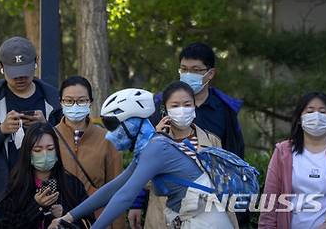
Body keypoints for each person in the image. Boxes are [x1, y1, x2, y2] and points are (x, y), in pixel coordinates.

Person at [50, 88, 233, 229]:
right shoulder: (148, 148)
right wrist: (69, 217)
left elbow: (125, 197)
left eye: (114, 125)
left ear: (134, 123)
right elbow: (114, 187)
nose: (111, 133)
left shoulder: (156, 148)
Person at [0, 36, 61, 229]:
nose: (20, 79)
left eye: (24, 72)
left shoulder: (53, 99)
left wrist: (47, 127)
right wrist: (0, 131)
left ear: (36, 63)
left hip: (48, 202)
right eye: (14, 73)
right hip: (0, 207)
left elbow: (72, 147)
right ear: (1, 67)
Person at [129, 81, 238, 229]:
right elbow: (144, 181)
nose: (182, 110)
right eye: (175, 106)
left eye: (187, 105)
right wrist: (154, 140)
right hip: (165, 220)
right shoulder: (154, 142)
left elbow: (224, 186)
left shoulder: (212, 141)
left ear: (194, 107)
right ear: (165, 110)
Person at [259, 92, 326, 229]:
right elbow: (270, 202)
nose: (316, 116)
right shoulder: (283, 152)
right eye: (310, 111)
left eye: (322, 112)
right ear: (299, 119)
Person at [54, 76, 125, 229]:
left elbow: (118, 190)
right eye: (68, 100)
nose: (75, 105)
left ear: (90, 102)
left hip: (96, 222)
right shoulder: (48, 138)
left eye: (81, 100)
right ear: (60, 102)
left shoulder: (108, 139)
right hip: (58, 221)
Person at [0, 122, 93, 229]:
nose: (45, 154)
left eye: (50, 149)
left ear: (57, 150)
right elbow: (7, 224)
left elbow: (89, 222)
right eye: (37, 150)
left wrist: (65, 215)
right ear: (28, 153)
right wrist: (36, 206)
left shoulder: (72, 184)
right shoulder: (16, 187)